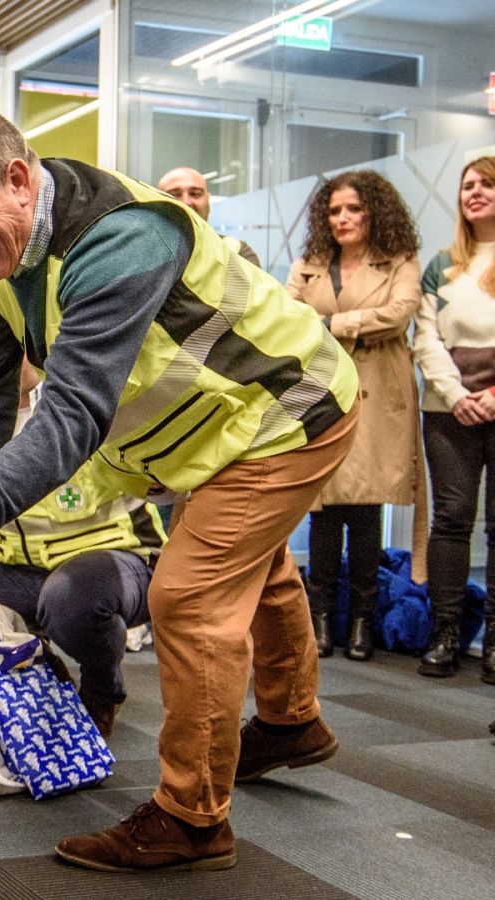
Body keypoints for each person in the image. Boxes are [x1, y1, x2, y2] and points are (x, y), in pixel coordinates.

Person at [0, 106, 359, 873]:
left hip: (286, 411)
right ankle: (292, 722)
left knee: (189, 597)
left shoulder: (123, 235)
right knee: (252, 562)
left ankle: (192, 821)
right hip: (208, 434)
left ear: (19, 181)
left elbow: (69, 418)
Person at [0, 380, 163, 738]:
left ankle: (102, 691)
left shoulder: (88, 396)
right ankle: (43, 674)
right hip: (16, 559)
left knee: (71, 600)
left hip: (114, 556)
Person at [286, 169, 423, 662]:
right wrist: (344, 327)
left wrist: (329, 324)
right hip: (324, 390)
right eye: (334, 210)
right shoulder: (311, 264)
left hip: (378, 394)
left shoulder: (400, 261)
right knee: (322, 512)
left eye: (353, 209)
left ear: (374, 212)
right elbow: (289, 316)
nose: (342, 218)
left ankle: (363, 621)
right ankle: (320, 620)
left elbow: (400, 313)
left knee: (366, 511)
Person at [415, 154, 495, 683]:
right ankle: (446, 632)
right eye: (468, 184)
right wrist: (456, 392)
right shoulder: (442, 264)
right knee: (451, 520)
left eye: (487, 183)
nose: (475, 192)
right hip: (448, 409)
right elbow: (426, 338)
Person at [157, 166, 262, 268]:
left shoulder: (235, 251)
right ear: (158, 204)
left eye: (195, 193)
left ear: (208, 202)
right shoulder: (143, 250)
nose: (186, 202)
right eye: (174, 194)